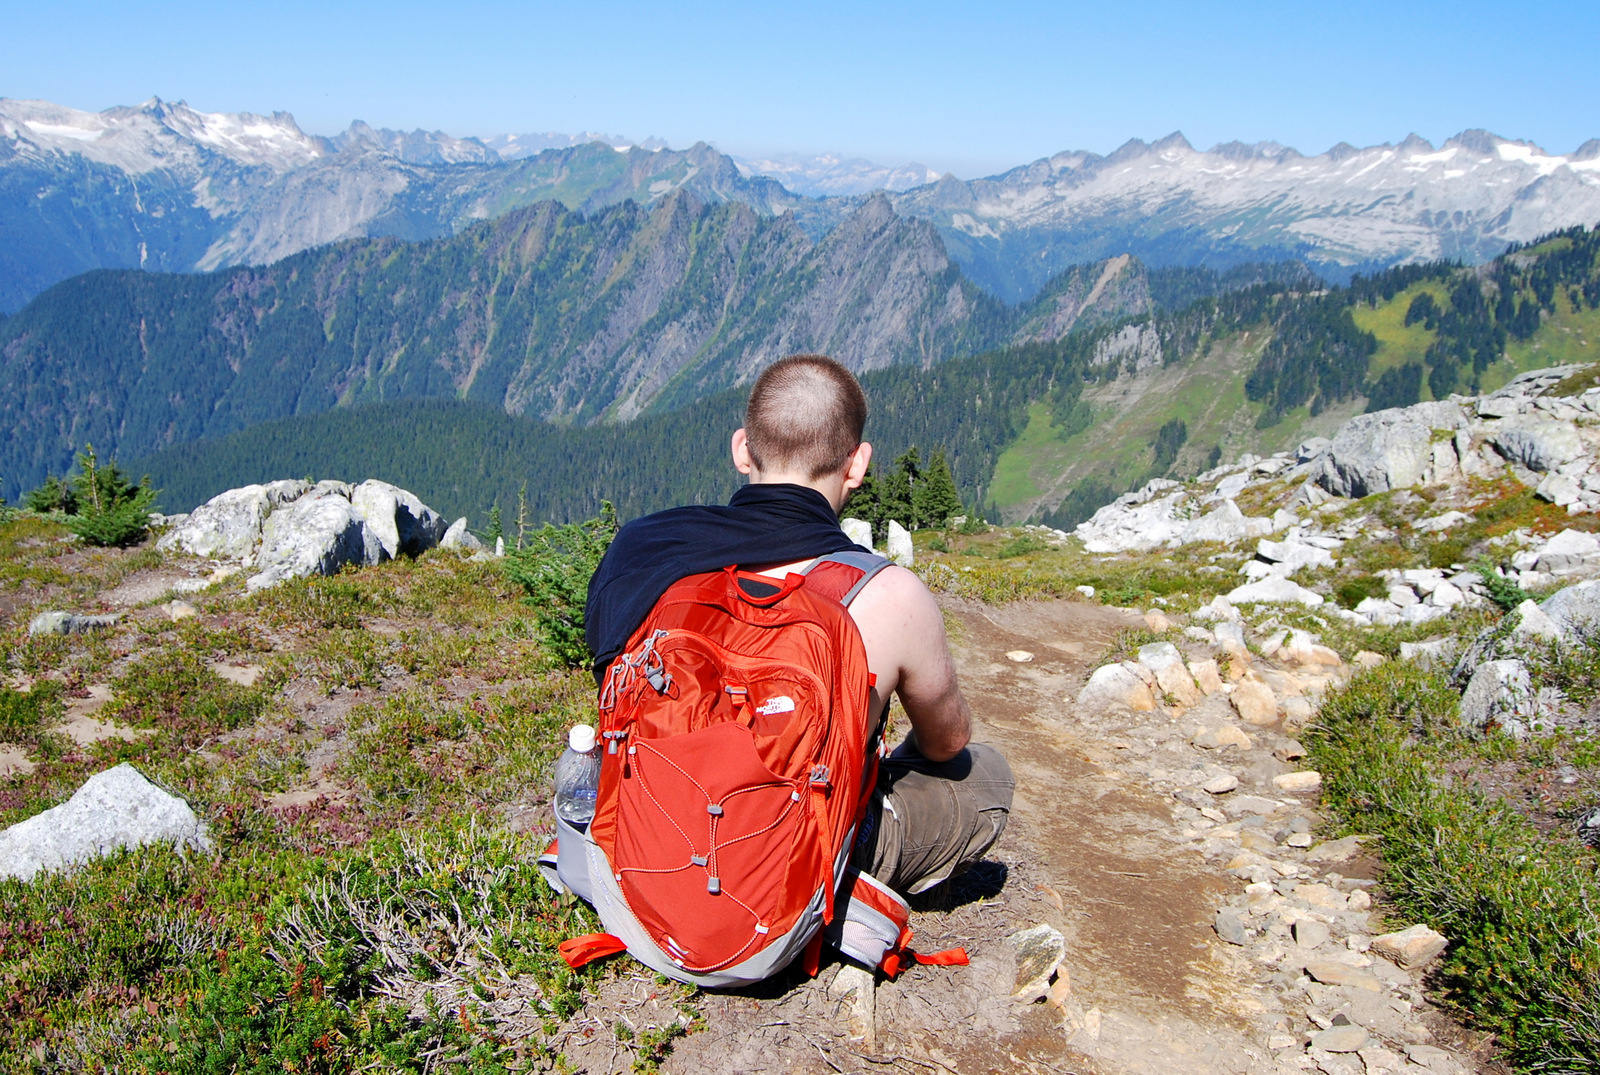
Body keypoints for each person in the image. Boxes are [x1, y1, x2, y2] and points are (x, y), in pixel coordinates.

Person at [585, 354, 1013, 896]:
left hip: (649, 850)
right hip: (784, 880)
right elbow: (947, 742)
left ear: (743, 449)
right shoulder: (891, 594)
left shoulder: (643, 549)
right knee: (988, 774)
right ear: (856, 465)